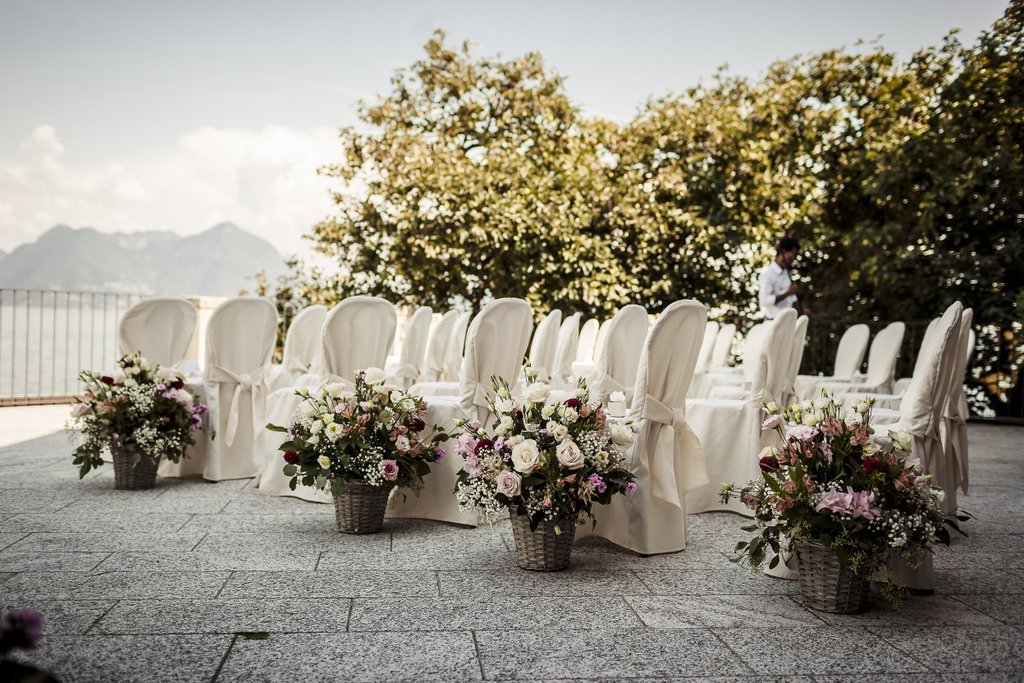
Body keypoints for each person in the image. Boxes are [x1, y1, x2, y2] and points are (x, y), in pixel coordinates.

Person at [759, 236, 800, 319]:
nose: (793, 259)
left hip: (788, 320)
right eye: (792, 255)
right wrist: (788, 293)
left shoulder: (787, 273)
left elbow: (791, 299)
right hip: (774, 321)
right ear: (783, 251)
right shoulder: (768, 274)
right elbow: (764, 301)